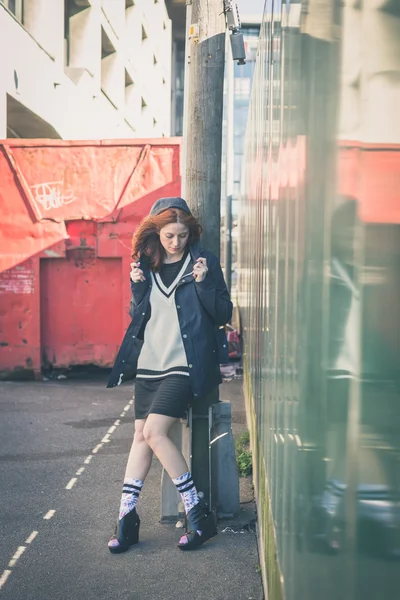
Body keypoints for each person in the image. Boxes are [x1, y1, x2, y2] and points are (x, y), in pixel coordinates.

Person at [106, 196, 233, 553]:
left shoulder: (203, 262)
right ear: (156, 234)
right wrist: (136, 287)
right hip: (150, 365)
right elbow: (140, 315)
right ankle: (126, 519)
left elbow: (223, 312)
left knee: (154, 431)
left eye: (181, 235)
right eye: (169, 236)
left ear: (190, 232)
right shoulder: (147, 265)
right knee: (140, 437)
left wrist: (205, 283)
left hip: (184, 365)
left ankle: (197, 511)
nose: (176, 242)